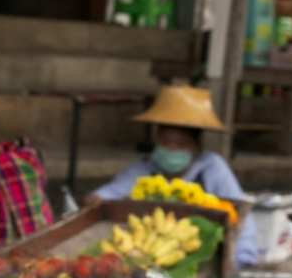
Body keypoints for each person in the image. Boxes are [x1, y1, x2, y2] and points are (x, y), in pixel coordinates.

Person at [84, 85, 259, 267]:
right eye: (166, 142)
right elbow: (110, 193)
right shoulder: (145, 168)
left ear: (195, 146)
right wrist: (96, 200)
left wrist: (241, 258)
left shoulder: (211, 168)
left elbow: (240, 214)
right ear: (156, 141)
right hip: (151, 255)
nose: (172, 149)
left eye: (180, 144)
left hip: (206, 260)